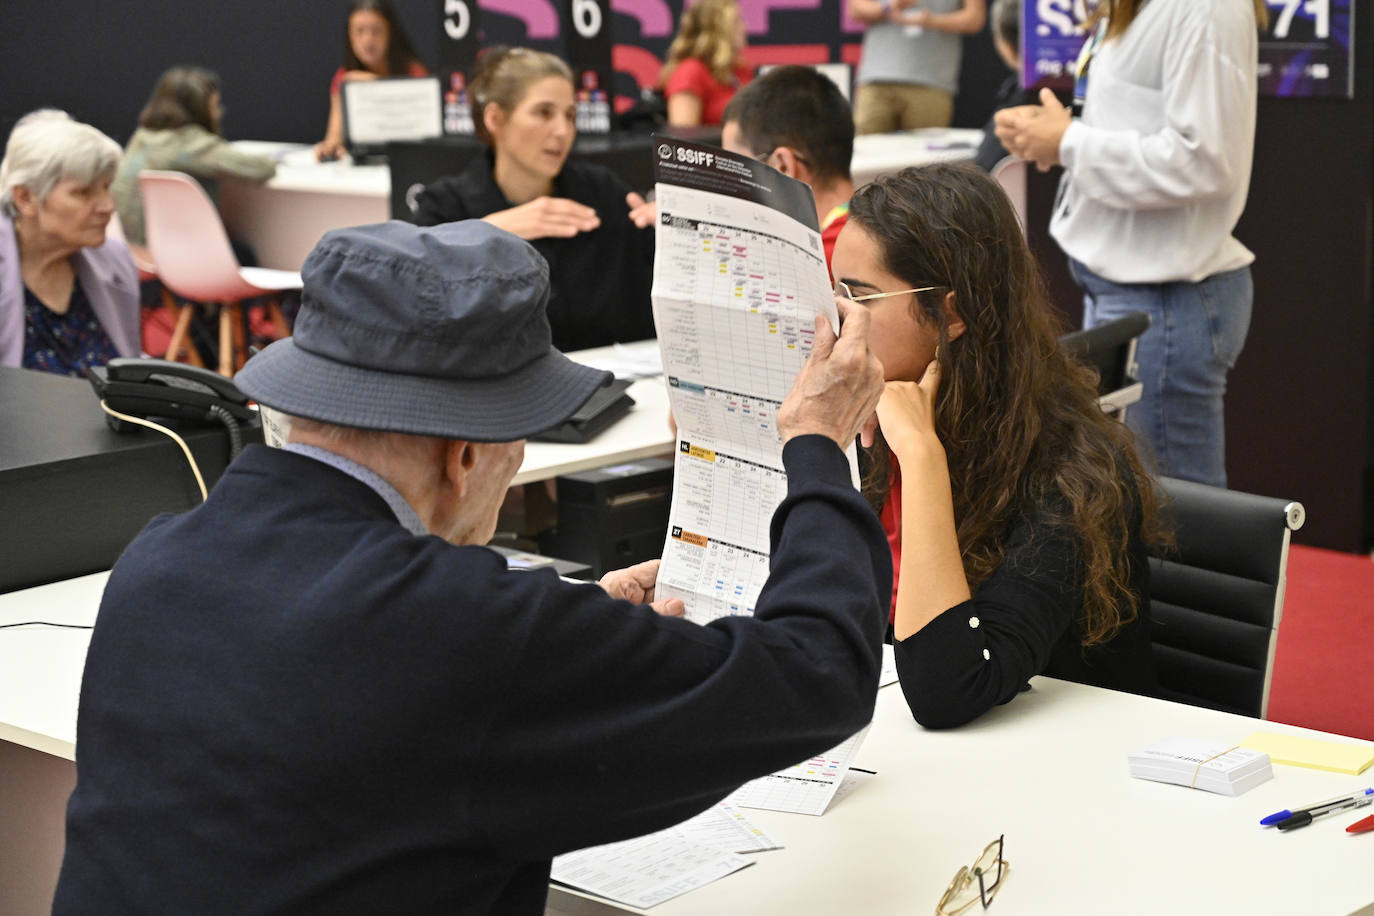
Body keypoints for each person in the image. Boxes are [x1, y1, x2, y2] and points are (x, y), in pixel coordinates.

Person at [52, 218, 890, 913]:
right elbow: (819, 674)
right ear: (463, 456)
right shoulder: (461, 637)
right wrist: (816, 445)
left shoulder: (156, 562)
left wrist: (569, 618)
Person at [833, 163, 1163, 729]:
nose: (841, 323)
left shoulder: (1072, 476)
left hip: (1069, 774)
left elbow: (949, 690)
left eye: (861, 299)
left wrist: (922, 459)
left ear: (951, 314)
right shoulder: (874, 424)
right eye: (836, 293)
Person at [993, 0, 1267, 487]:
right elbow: (1149, 129)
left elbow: (1204, 161)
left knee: (1178, 520)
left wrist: (1070, 142)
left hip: (1166, 299)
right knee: (1148, 507)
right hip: (1136, 293)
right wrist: (1059, 136)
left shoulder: (1205, 9)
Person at [413, 47, 656, 352]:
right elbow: (418, 302)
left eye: (570, 116)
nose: (562, 131)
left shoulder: (602, 193)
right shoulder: (445, 207)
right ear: (495, 119)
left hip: (608, 386)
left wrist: (676, 232)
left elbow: (658, 285)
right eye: (543, 113)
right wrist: (485, 233)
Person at [0, 110, 140, 376]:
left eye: (107, 187)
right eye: (83, 192)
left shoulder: (115, 261)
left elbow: (130, 368)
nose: (108, 206)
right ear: (26, 198)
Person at [112, 66, 276, 248]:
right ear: (200, 111)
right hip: (173, 253)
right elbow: (260, 169)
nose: (218, 113)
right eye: (214, 106)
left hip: (128, 248)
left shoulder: (142, 137)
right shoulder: (192, 144)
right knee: (244, 251)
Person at [720, 65, 855, 274]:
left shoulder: (820, 264)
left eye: (737, 170)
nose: (731, 188)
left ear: (782, 166)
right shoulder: (866, 232)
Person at [847, 0, 987, 133]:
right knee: (869, 153)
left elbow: (974, 19)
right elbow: (855, 9)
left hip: (932, 81)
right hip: (878, 77)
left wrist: (934, 21)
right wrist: (890, 6)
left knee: (926, 157)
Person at [315, 0, 429, 161]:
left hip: (408, 163)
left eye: (376, 31)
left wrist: (375, 84)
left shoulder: (414, 73)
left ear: (390, 33)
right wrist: (330, 147)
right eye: (359, 31)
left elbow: (424, 135)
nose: (368, 40)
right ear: (349, 35)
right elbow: (334, 136)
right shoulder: (345, 78)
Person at [659, 0, 752, 127]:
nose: (745, 27)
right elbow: (682, 140)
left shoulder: (740, 70)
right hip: (714, 147)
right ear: (719, 29)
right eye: (737, 21)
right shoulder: (690, 72)